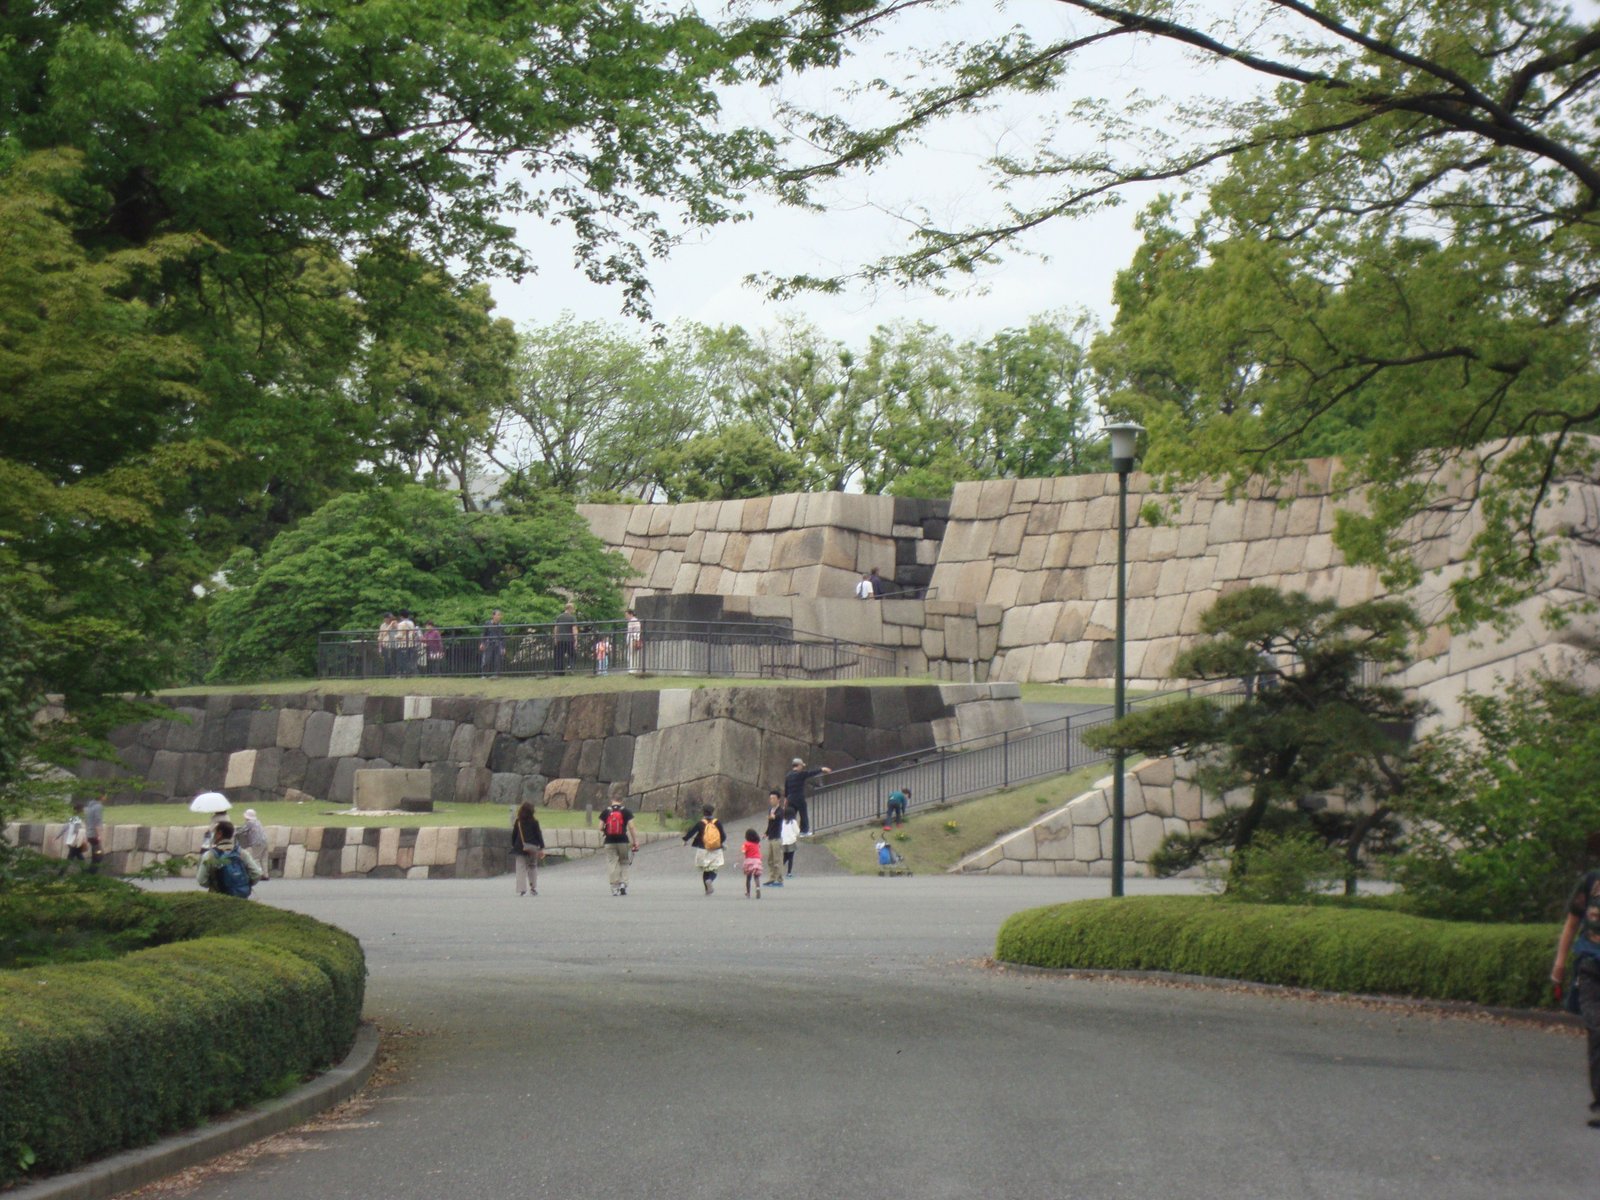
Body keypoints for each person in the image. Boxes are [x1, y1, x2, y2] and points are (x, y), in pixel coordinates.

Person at [1552, 853, 1600, 1128]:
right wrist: (1559, 963)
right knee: (1597, 1030)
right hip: (1591, 965)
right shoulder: (1590, 881)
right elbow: (1572, 923)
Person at [195, 819, 264, 898]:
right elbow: (257, 873)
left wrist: (214, 884)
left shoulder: (210, 855)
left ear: (219, 833)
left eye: (214, 832)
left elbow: (201, 880)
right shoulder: (242, 853)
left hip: (217, 898)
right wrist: (243, 883)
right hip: (240, 898)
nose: (212, 835)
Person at [682, 803, 726, 895]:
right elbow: (723, 835)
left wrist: (685, 840)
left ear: (703, 812)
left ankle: (707, 889)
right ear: (712, 812)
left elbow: (691, 832)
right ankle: (710, 880)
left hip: (702, 849)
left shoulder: (700, 823)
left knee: (705, 870)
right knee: (714, 869)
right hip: (715, 849)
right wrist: (720, 843)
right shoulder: (717, 822)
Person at [600, 797, 639, 896]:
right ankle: (623, 884)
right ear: (621, 801)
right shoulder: (626, 812)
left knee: (612, 863)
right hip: (623, 840)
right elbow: (631, 827)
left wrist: (606, 831)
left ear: (611, 801)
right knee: (624, 862)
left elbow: (600, 827)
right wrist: (635, 841)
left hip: (609, 841)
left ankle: (614, 886)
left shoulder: (606, 812)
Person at [784, 757, 831, 837]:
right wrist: (822, 769)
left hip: (790, 798)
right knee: (803, 814)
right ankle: (804, 831)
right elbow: (811, 773)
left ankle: (789, 832)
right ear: (798, 766)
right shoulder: (801, 774)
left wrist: (786, 798)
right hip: (799, 798)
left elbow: (786, 788)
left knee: (791, 816)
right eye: (802, 766)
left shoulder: (788, 775)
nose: (802, 767)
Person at [511, 801, 546, 897]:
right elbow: (539, 835)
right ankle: (533, 888)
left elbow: (514, 835)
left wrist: (514, 845)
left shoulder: (518, 822)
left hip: (520, 848)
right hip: (533, 848)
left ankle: (522, 889)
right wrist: (541, 847)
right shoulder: (534, 822)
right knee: (532, 866)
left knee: (520, 868)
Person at [236, 808, 271, 880]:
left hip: (257, 842)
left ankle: (259, 874)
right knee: (264, 859)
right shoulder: (258, 822)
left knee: (256, 858)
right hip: (265, 841)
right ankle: (266, 875)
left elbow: (242, 831)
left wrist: (234, 832)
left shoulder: (249, 823)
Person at [762, 789, 786, 888]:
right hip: (771, 838)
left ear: (778, 799)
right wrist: (766, 833)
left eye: (773, 798)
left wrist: (773, 816)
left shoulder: (780, 810)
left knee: (777, 860)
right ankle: (772, 878)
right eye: (770, 798)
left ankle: (779, 879)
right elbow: (770, 824)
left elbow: (779, 817)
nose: (771, 800)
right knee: (770, 860)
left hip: (777, 838)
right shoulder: (770, 810)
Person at [553, 602, 578, 674]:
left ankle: (559, 672)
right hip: (569, 639)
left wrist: (555, 638)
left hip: (560, 639)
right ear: (570, 609)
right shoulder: (572, 618)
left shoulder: (559, 617)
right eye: (573, 609)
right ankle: (570, 666)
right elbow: (574, 629)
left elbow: (555, 628)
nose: (573, 610)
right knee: (572, 654)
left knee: (559, 656)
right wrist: (576, 639)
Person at [83, 791, 105, 871]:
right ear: (101, 796)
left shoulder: (88, 807)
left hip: (89, 834)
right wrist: (99, 836)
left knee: (95, 854)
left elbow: (86, 821)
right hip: (94, 835)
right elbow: (97, 821)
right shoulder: (98, 806)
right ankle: (91, 873)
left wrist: (86, 834)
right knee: (99, 855)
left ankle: (89, 871)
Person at [480, 609, 505, 677]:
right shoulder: (487, 623)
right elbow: (484, 634)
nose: (499, 616)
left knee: (497, 660)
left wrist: (503, 647)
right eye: (498, 615)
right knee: (486, 660)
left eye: (500, 615)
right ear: (493, 616)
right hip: (489, 643)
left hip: (498, 644)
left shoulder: (501, 625)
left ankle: (496, 674)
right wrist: (482, 643)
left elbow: (502, 637)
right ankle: (484, 675)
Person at [395, 610, 419, 676]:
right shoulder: (411, 623)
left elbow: (400, 635)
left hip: (402, 644)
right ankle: (410, 673)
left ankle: (403, 673)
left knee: (402, 660)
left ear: (401, 616)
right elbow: (413, 633)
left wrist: (395, 636)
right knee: (409, 659)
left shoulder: (400, 624)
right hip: (411, 643)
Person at [741, 829, 763, 899]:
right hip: (757, 860)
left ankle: (748, 893)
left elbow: (743, 851)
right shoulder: (757, 844)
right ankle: (758, 888)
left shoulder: (746, 844)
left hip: (749, 861)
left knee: (748, 878)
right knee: (756, 877)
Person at [780, 806, 800, 878]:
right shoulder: (793, 822)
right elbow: (797, 832)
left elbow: (781, 831)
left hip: (784, 841)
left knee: (785, 857)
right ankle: (789, 873)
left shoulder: (783, 822)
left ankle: (779, 870)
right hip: (791, 841)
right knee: (791, 857)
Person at [377, 612, 398, 677]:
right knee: (387, 661)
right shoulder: (383, 625)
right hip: (385, 645)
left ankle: (394, 674)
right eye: (389, 618)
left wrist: (393, 624)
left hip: (394, 645)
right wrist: (379, 647)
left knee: (394, 660)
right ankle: (387, 674)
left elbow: (398, 629)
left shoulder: (394, 624)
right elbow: (382, 635)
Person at [625, 608, 643, 673]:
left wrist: (635, 640)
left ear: (631, 614)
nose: (626, 617)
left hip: (633, 640)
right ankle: (633, 669)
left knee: (632, 655)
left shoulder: (634, 621)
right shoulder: (632, 621)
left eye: (627, 615)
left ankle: (632, 670)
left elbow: (636, 632)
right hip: (632, 639)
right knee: (632, 655)